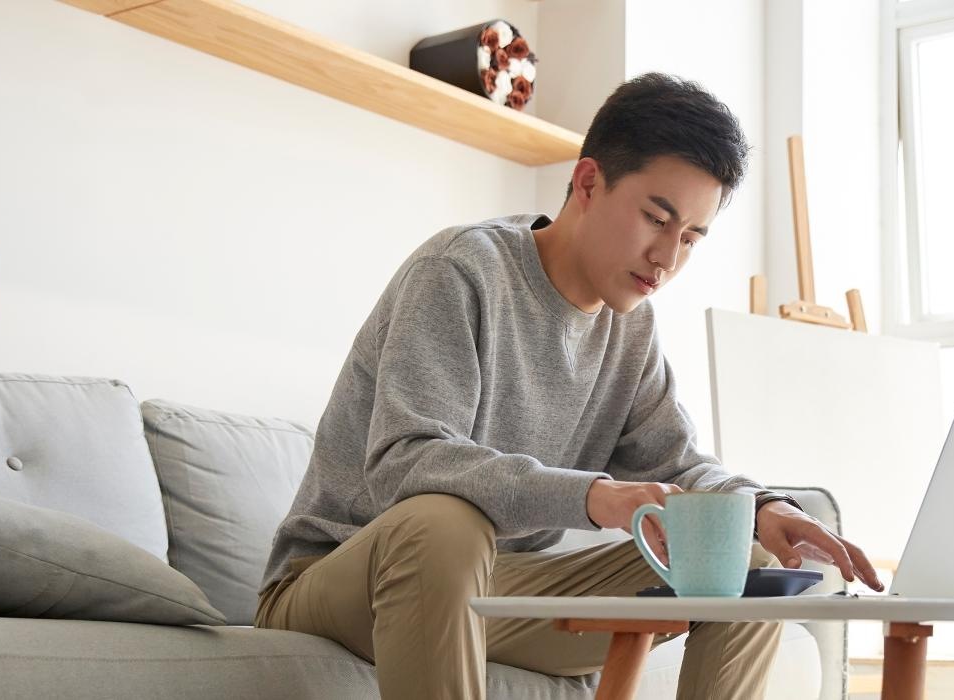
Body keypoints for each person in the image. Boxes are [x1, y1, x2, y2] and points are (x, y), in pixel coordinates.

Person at [254, 72, 884, 699]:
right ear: (588, 183)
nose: (667, 258)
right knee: (446, 526)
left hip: (495, 588)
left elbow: (681, 465)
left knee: (744, 563)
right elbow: (406, 462)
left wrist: (763, 505)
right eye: (655, 218)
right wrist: (597, 496)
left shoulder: (630, 328)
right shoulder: (460, 271)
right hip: (342, 579)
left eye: (690, 237)